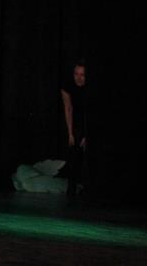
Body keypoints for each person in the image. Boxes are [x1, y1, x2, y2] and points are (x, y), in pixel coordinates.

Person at [61, 59, 88, 198]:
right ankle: (71, 190)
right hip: (76, 124)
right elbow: (68, 108)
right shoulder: (68, 86)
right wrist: (70, 133)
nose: (79, 78)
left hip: (87, 123)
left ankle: (86, 188)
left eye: (82, 75)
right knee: (73, 154)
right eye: (76, 74)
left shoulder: (90, 88)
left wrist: (87, 135)